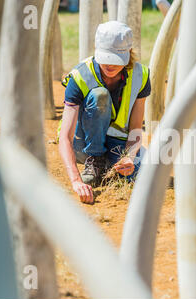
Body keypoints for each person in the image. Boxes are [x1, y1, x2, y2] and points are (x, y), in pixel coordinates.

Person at [58, 21, 151, 204]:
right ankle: (95, 160)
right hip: (81, 144)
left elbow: (135, 129)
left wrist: (129, 157)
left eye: (115, 58)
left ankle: (110, 164)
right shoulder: (79, 76)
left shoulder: (141, 76)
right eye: (105, 57)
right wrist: (76, 181)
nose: (109, 65)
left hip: (115, 140)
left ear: (128, 53)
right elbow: (64, 138)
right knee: (100, 95)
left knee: (148, 171)